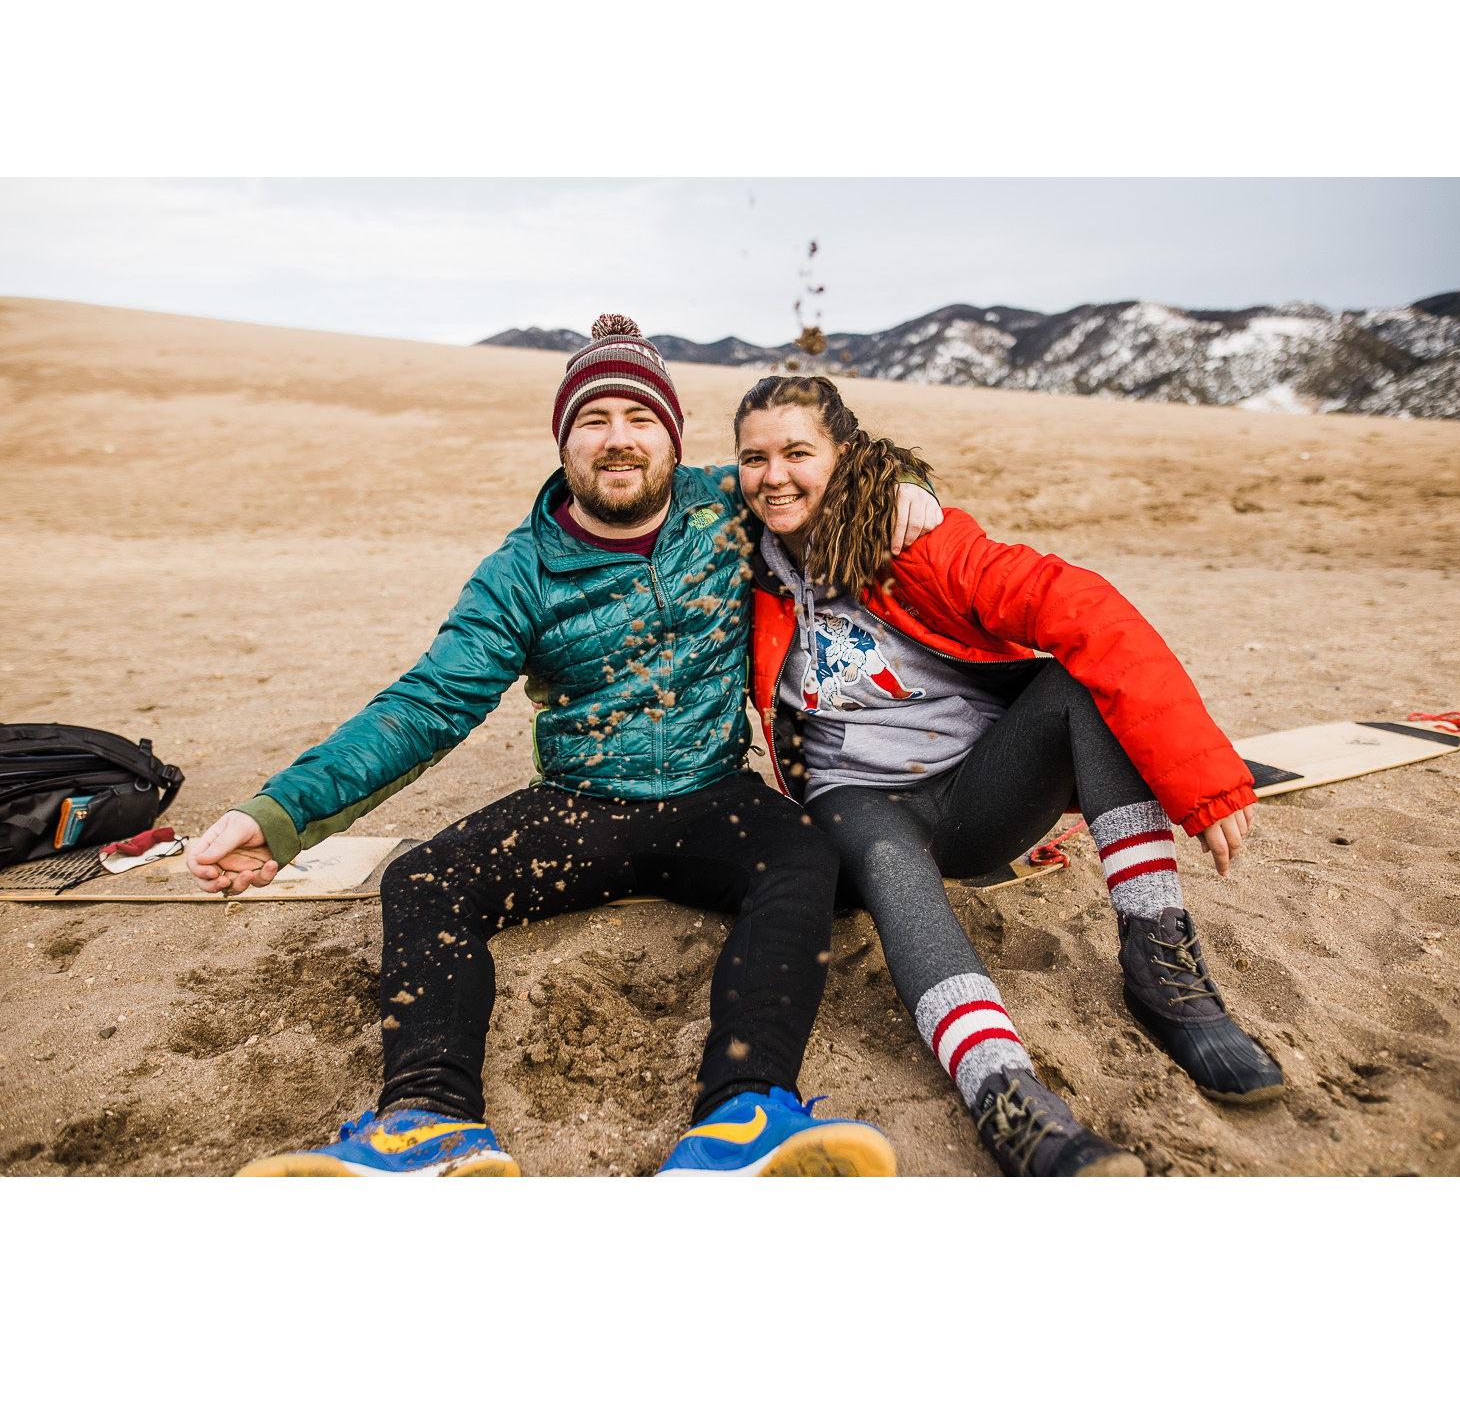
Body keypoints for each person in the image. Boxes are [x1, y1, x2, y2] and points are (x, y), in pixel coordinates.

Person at [187, 317, 942, 1178]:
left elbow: (824, 467)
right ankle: (429, 1121)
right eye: (595, 419)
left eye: (639, 418)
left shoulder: (725, 509)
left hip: (713, 795)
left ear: (671, 435)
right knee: (423, 882)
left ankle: (742, 1113)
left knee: (807, 860)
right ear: (565, 440)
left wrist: (905, 483)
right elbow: (427, 703)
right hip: (580, 805)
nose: (618, 439)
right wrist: (281, 814)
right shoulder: (522, 571)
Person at [735, 373, 1285, 1178]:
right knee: (886, 859)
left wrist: (1199, 776)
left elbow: (1084, 607)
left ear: (846, 454)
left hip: (977, 792)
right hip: (856, 799)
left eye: (796, 452)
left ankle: (1161, 965)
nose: (774, 475)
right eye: (754, 458)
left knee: (1077, 686)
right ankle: (1001, 1090)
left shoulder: (918, 541)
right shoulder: (734, 560)